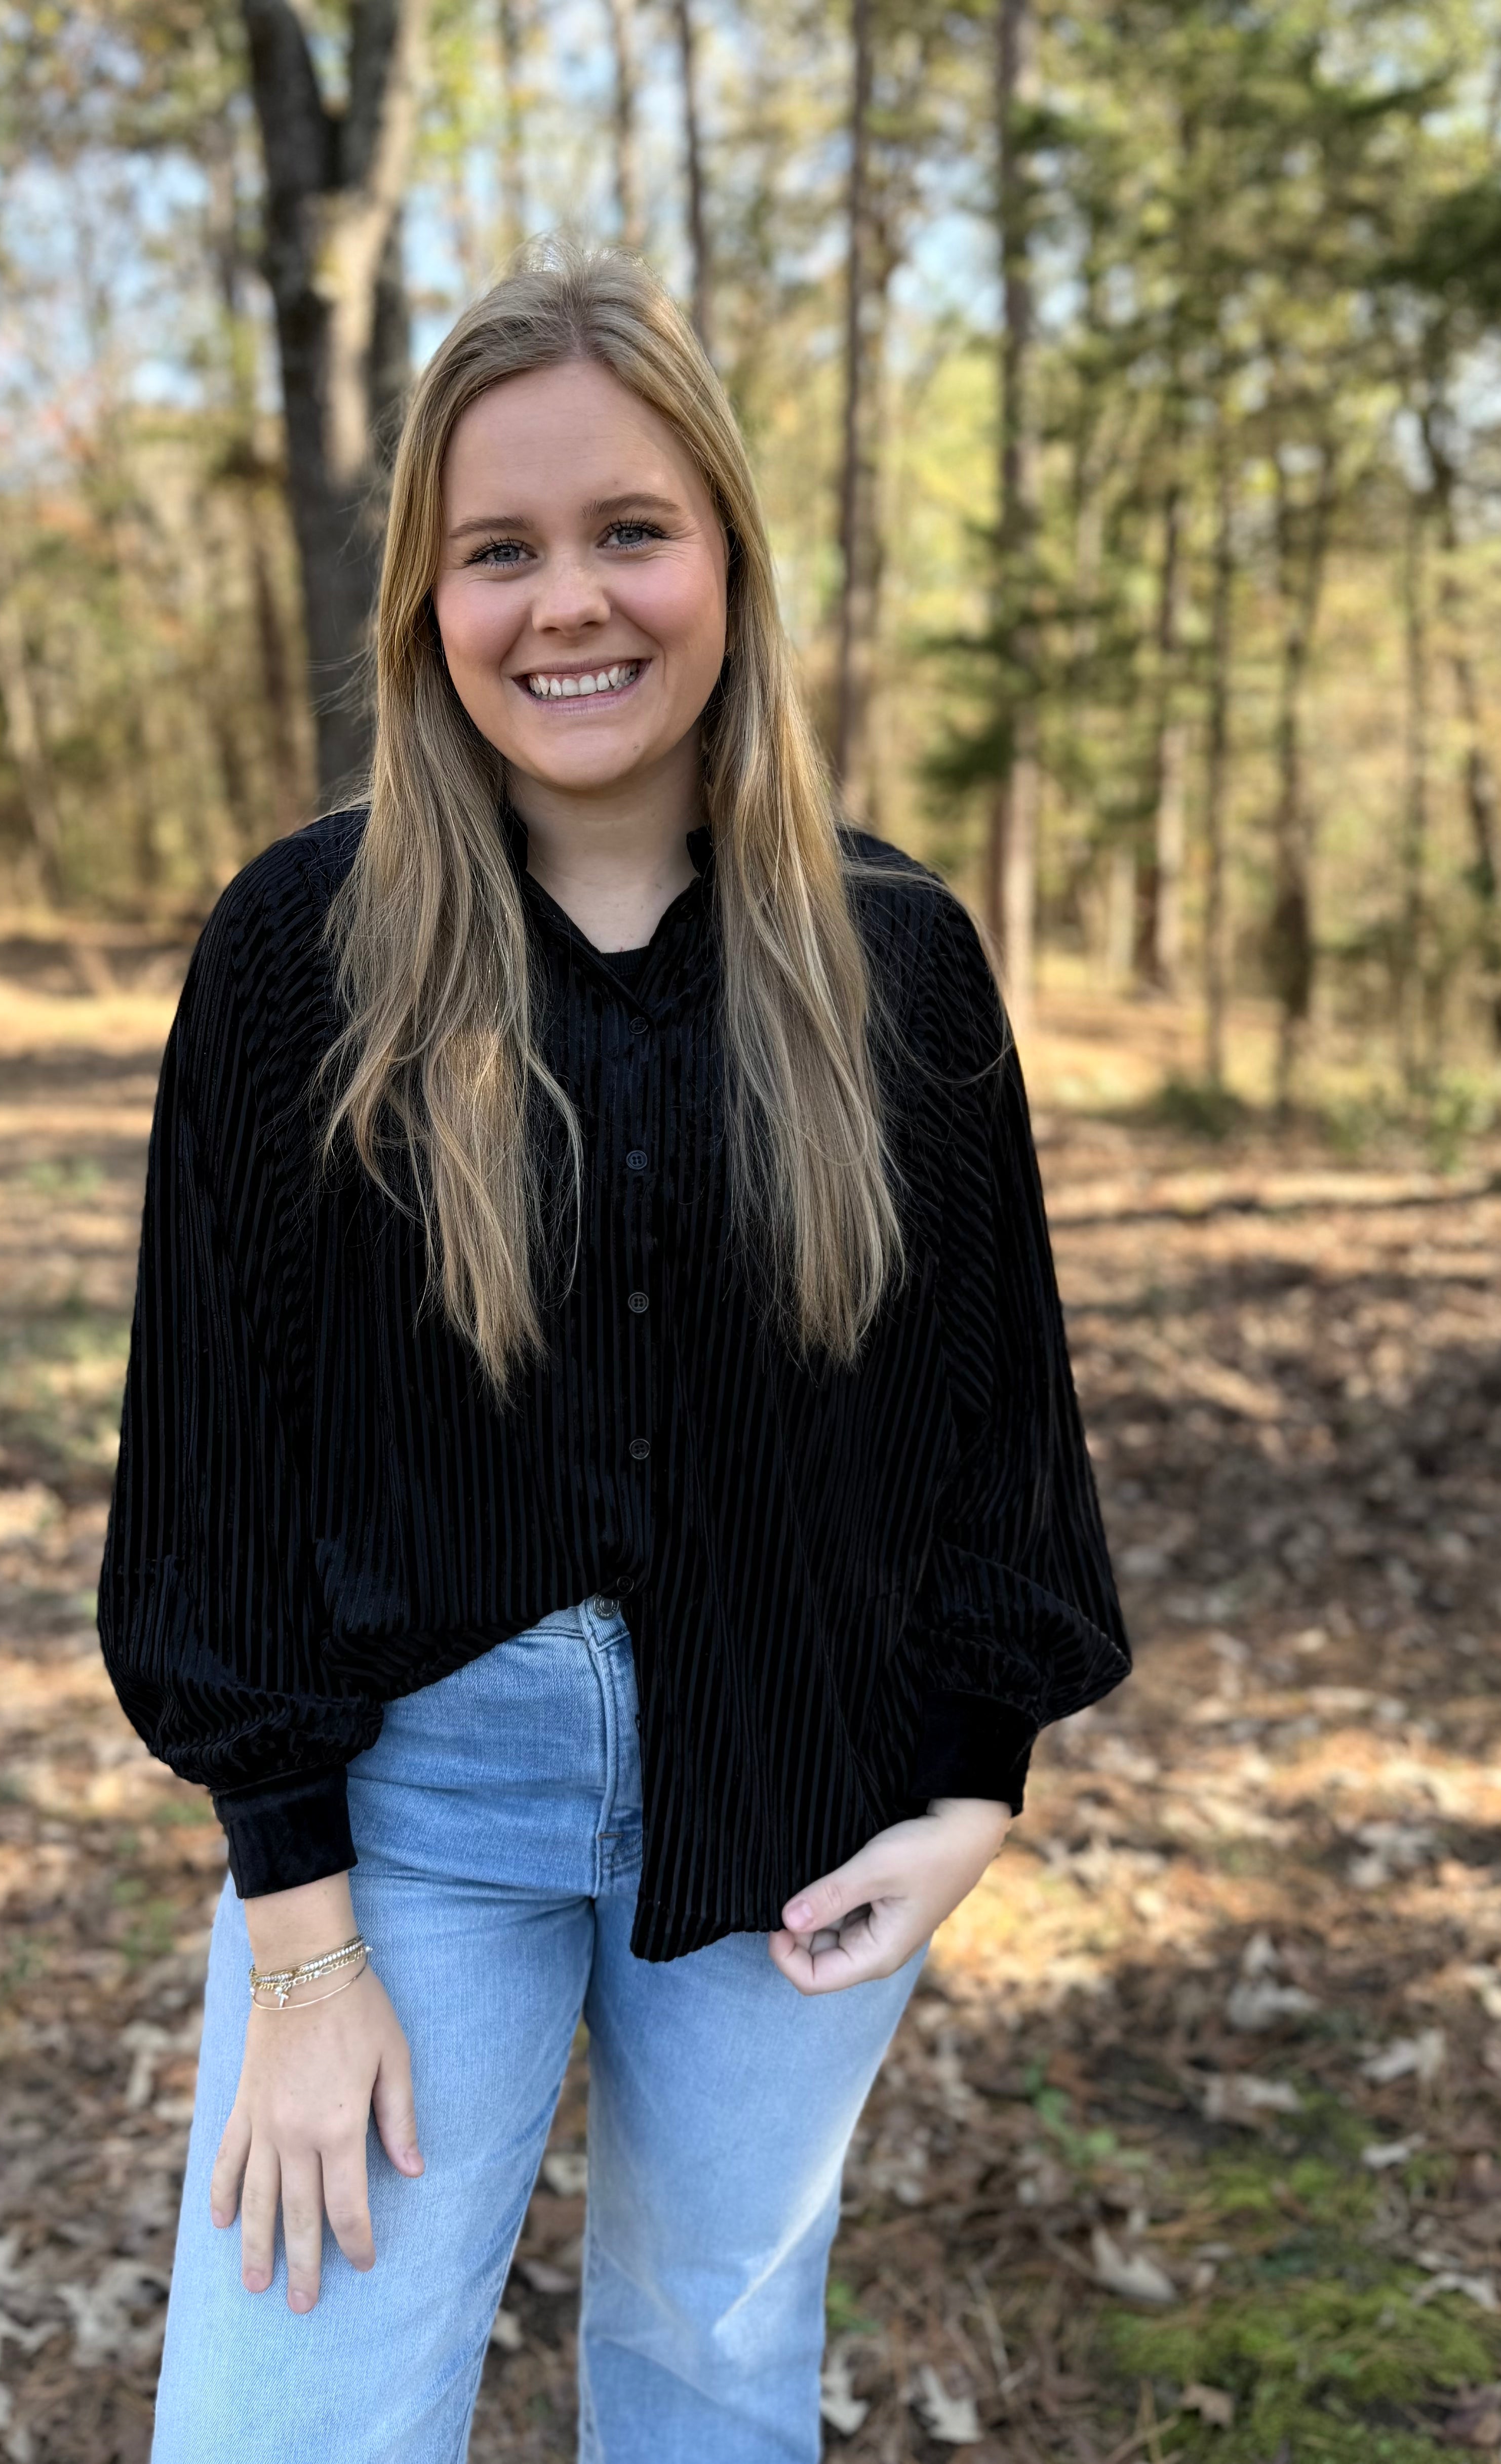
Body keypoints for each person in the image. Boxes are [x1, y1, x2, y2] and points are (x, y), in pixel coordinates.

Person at [98, 242, 1128, 2464]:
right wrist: (299, 1946)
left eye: (627, 530)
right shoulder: (303, 951)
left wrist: (971, 1788)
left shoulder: (899, 961)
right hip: (415, 1816)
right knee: (289, 2422)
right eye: (501, 549)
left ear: (729, 563)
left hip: (800, 1795)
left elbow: (994, 1419)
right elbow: (211, 1472)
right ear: (427, 604)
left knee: (708, 2382)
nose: (568, 601)